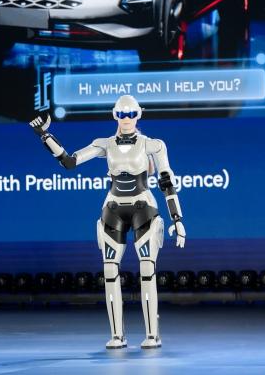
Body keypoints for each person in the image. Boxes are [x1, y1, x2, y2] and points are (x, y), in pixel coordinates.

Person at [30, 95, 186, 349]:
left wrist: (176, 218)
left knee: (147, 271)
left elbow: (166, 180)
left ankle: (152, 334)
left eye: (131, 114)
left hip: (143, 207)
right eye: (122, 114)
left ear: (138, 114)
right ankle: (117, 335)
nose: (127, 118)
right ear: (115, 115)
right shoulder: (104, 144)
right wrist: (44, 135)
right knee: (110, 272)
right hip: (113, 208)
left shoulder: (153, 145)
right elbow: (69, 161)